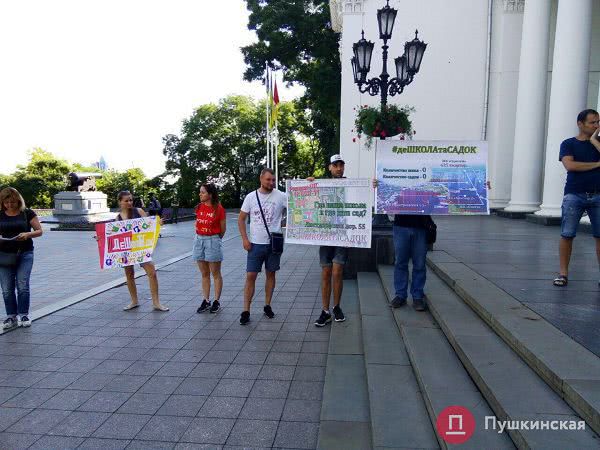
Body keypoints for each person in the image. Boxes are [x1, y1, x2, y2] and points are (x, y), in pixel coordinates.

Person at [553, 109, 600, 287]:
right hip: (574, 194)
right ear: (580, 123)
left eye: (598, 122)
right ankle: (563, 274)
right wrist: (597, 164)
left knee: (599, 236)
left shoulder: (598, 143)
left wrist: (595, 140)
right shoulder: (569, 144)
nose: (597, 125)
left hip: (598, 195)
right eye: (593, 122)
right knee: (567, 234)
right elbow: (570, 165)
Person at [237, 168, 287, 325]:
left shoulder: (281, 196)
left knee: (271, 275)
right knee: (250, 276)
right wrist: (245, 239)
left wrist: (308, 183)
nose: (271, 182)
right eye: (268, 180)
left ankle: (267, 305)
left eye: (273, 180)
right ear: (261, 179)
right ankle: (246, 310)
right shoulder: (251, 197)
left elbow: (299, 203)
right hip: (255, 244)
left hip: (274, 243)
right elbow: (241, 219)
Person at [113, 191, 169, 312]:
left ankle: (156, 302)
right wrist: (100, 238)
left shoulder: (138, 211)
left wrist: (158, 223)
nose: (129, 202)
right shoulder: (117, 218)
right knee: (129, 274)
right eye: (126, 200)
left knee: (152, 273)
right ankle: (134, 301)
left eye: (131, 200)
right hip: (127, 249)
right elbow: (113, 235)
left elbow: (150, 225)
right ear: (120, 202)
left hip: (140, 247)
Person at [311, 154, 348, 327]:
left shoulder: (351, 185)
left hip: (342, 233)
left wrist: (372, 186)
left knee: (337, 271)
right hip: (325, 234)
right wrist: (308, 183)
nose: (339, 168)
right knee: (326, 272)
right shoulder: (321, 185)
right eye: (336, 165)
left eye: (341, 165)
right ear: (330, 167)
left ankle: (337, 306)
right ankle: (325, 311)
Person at [0, 187, 43, 329]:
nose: (10, 205)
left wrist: (27, 234)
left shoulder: (27, 213)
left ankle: (24, 314)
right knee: (7, 288)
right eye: (6, 203)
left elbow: (39, 231)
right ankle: (11, 316)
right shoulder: (0, 214)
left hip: (24, 253)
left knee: (22, 285)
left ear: (18, 200)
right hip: (4, 255)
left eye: (12, 202)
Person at [194, 184, 226, 314]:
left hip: (212, 240)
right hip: (199, 239)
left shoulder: (218, 208)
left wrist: (215, 239)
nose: (200, 194)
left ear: (210, 194)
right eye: (200, 192)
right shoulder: (199, 207)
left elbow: (223, 229)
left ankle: (216, 301)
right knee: (204, 273)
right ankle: (206, 300)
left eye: (202, 192)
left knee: (215, 273)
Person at [390, 213, 431, 311]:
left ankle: (417, 296)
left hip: (421, 226)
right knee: (400, 262)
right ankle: (400, 295)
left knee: (420, 264)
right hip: (401, 225)